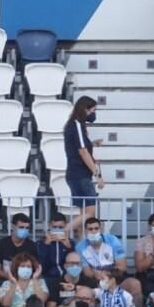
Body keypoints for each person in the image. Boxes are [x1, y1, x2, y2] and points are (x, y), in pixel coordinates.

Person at [62, 96, 105, 236]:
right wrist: (97, 175)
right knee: (90, 214)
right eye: (93, 110)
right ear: (85, 109)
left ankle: (81, 247)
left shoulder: (72, 125)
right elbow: (82, 151)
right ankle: (60, 233)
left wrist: (92, 144)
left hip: (75, 175)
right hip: (80, 176)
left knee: (83, 216)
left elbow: (79, 148)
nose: (94, 114)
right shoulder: (77, 125)